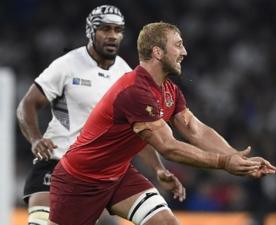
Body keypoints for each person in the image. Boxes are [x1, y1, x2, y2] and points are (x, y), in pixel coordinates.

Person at [48, 21, 276, 225]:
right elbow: (168, 146)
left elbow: (195, 130)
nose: (185, 52)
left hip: (118, 176)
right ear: (158, 52)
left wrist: (236, 157)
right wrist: (224, 162)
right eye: (178, 45)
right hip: (79, 182)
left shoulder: (169, 90)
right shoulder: (134, 91)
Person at [16, 6, 184, 225]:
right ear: (90, 31)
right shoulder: (67, 64)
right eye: (105, 29)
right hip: (58, 165)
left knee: (165, 222)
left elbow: (140, 130)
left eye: (118, 30)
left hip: (110, 170)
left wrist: (158, 168)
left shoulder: (124, 73)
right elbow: (27, 105)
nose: (113, 35)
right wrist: (36, 138)